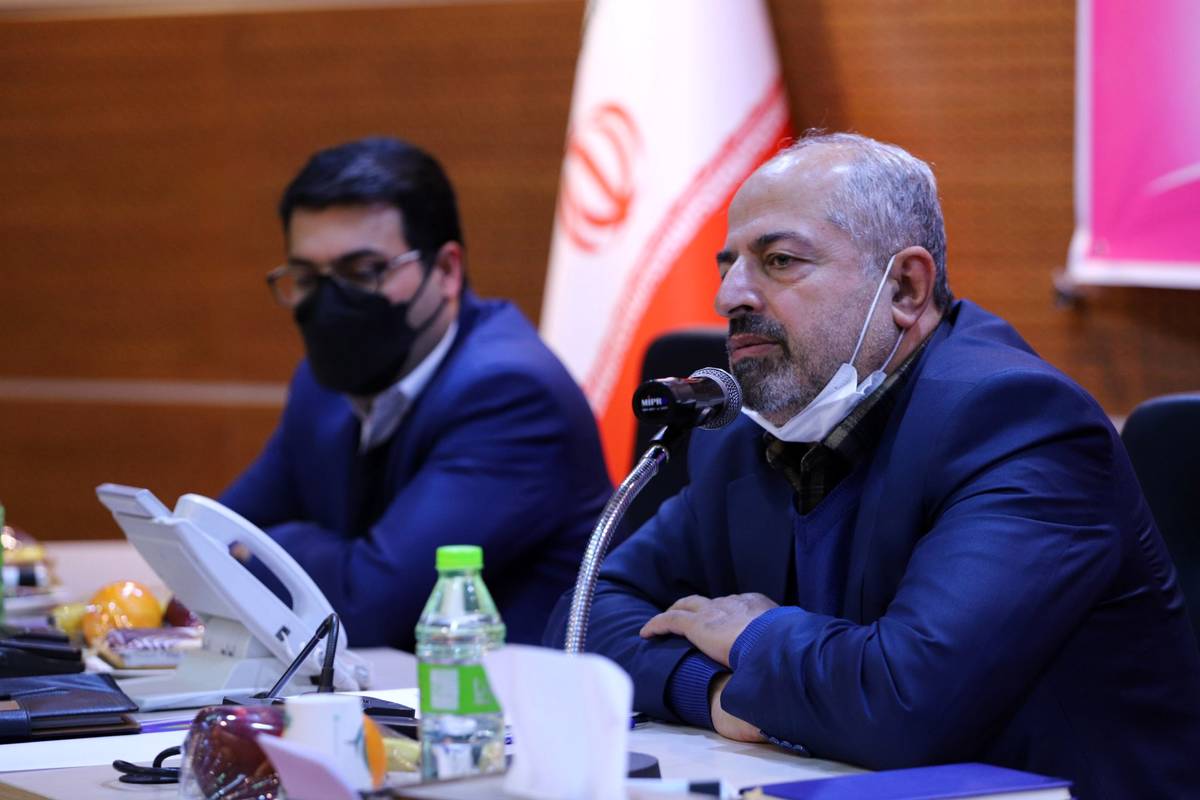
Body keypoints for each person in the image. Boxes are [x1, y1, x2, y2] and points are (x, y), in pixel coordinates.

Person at [548, 132, 1200, 798]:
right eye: (729, 265)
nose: (730, 297)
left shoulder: (1021, 423)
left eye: (778, 260)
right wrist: (714, 692)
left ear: (907, 288)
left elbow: (904, 703)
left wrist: (753, 636)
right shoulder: (745, 430)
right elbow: (580, 621)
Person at [221, 136, 611, 650]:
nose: (331, 304)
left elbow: (363, 606)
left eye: (363, 272)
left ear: (446, 270)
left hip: (502, 693)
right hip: (384, 685)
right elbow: (214, 538)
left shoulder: (512, 393)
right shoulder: (323, 384)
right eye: (308, 278)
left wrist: (274, 546)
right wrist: (296, 551)